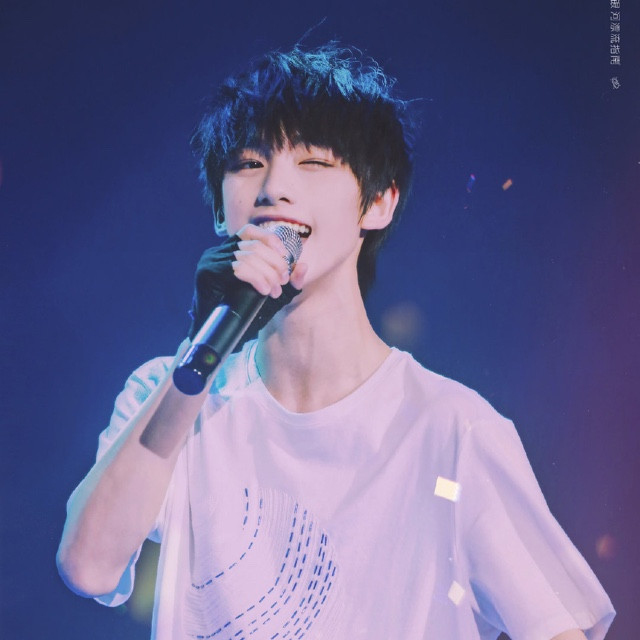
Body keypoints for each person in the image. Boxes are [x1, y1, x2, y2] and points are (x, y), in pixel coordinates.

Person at [57, 43, 615, 640]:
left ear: (378, 202)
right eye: (248, 163)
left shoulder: (452, 429)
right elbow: (89, 567)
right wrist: (199, 344)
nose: (274, 188)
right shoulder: (171, 393)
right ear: (221, 209)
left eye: (314, 162)